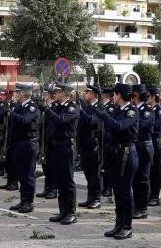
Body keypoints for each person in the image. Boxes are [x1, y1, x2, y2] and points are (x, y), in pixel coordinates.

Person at [95, 83, 139, 240]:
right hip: (115, 153)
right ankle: (119, 224)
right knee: (118, 192)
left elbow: (119, 126)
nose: (112, 97)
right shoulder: (118, 110)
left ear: (119, 95)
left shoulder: (132, 111)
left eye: (114, 94)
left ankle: (127, 226)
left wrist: (104, 116)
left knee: (125, 192)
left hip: (126, 154)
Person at [43, 82, 80, 224]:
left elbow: (61, 120)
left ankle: (71, 212)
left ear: (65, 93)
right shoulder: (56, 106)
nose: (55, 94)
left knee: (67, 181)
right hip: (55, 147)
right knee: (59, 180)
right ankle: (62, 211)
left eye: (58, 92)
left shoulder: (72, 107)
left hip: (66, 147)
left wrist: (48, 110)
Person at [7, 82, 39, 214]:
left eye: (17, 92)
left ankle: (29, 202)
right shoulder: (19, 106)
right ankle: (23, 199)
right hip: (19, 143)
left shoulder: (31, 107)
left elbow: (25, 120)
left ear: (23, 93)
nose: (15, 94)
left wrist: (11, 113)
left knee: (28, 174)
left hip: (28, 144)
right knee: (21, 173)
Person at [131, 84, 155, 220]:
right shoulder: (133, 109)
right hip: (135, 145)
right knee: (135, 178)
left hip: (144, 146)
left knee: (143, 178)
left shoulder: (147, 110)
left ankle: (143, 208)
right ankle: (136, 206)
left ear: (137, 95)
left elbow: (141, 125)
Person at [78, 84, 103, 209]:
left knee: (94, 174)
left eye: (87, 92)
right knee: (88, 173)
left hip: (95, 145)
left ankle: (96, 198)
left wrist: (81, 111)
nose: (85, 94)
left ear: (94, 94)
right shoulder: (88, 107)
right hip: (86, 144)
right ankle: (90, 197)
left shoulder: (99, 107)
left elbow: (91, 122)